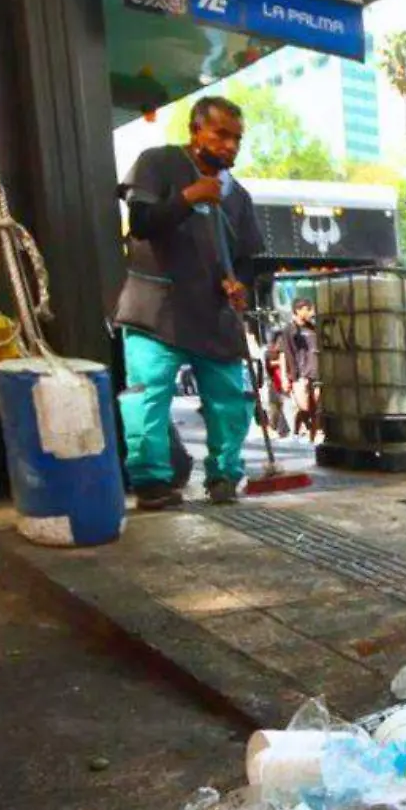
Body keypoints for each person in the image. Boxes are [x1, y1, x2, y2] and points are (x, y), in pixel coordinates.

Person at [113, 96, 264, 509]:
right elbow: (141, 224)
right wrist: (188, 197)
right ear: (195, 131)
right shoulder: (157, 163)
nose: (230, 145)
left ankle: (223, 477)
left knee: (230, 402)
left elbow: (250, 261)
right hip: (154, 309)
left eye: (237, 138)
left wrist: (241, 284)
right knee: (146, 400)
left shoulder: (239, 197)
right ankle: (152, 484)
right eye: (220, 135)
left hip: (213, 315)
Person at [275, 297, 321, 439]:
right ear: (298, 310)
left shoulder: (313, 328)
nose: (311, 312)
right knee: (304, 406)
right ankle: (296, 428)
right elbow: (283, 354)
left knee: (315, 406)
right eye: (308, 309)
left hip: (315, 371)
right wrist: (284, 377)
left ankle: (312, 437)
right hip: (299, 372)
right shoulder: (289, 330)